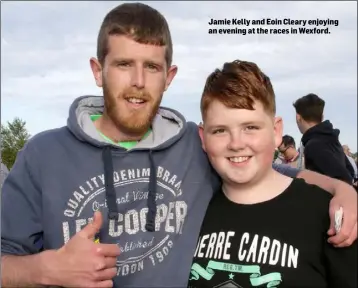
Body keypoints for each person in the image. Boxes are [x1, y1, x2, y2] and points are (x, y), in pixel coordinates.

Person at [1, 3, 357, 288]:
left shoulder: (193, 145)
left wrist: (342, 189)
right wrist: (46, 269)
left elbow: (269, 172)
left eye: (152, 67)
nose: (138, 81)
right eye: (124, 64)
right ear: (98, 70)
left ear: (169, 77)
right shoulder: (42, 156)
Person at [189, 60, 357, 288]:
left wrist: (344, 190)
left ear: (276, 131)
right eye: (220, 130)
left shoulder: (328, 215)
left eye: (250, 127)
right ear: (203, 137)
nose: (236, 144)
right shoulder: (190, 212)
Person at [293, 93, 353, 184]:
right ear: (322, 116)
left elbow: (344, 179)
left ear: (298, 117)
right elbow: (350, 171)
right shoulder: (331, 139)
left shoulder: (314, 146)